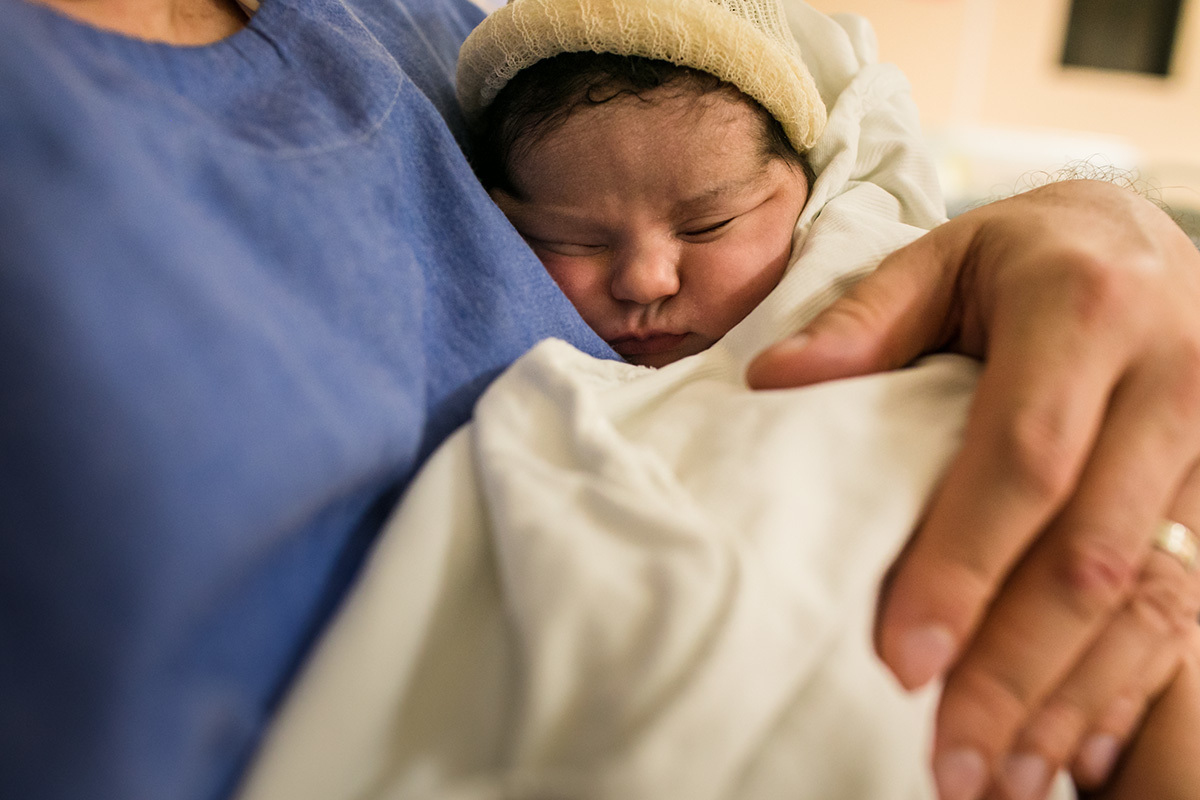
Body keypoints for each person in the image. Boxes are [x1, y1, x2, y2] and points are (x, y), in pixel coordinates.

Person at [1, 0, 1197, 798]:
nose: (644, 281)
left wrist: (1091, 224)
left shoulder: (440, 28)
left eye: (714, 224)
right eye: (562, 240)